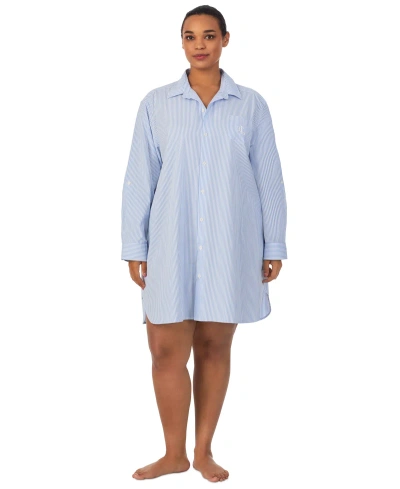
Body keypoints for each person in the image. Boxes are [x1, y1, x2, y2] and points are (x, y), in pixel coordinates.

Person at [121, 5, 288, 483]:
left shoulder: (251, 105)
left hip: (229, 243)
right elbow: (139, 177)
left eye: (209, 35)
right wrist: (135, 246)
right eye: (190, 36)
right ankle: (173, 453)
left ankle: (202, 450)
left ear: (225, 40)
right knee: (165, 351)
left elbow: (269, 176)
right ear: (181, 42)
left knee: (214, 347)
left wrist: (273, 243)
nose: (200, 45)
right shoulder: (156, 104)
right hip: (169, 242)